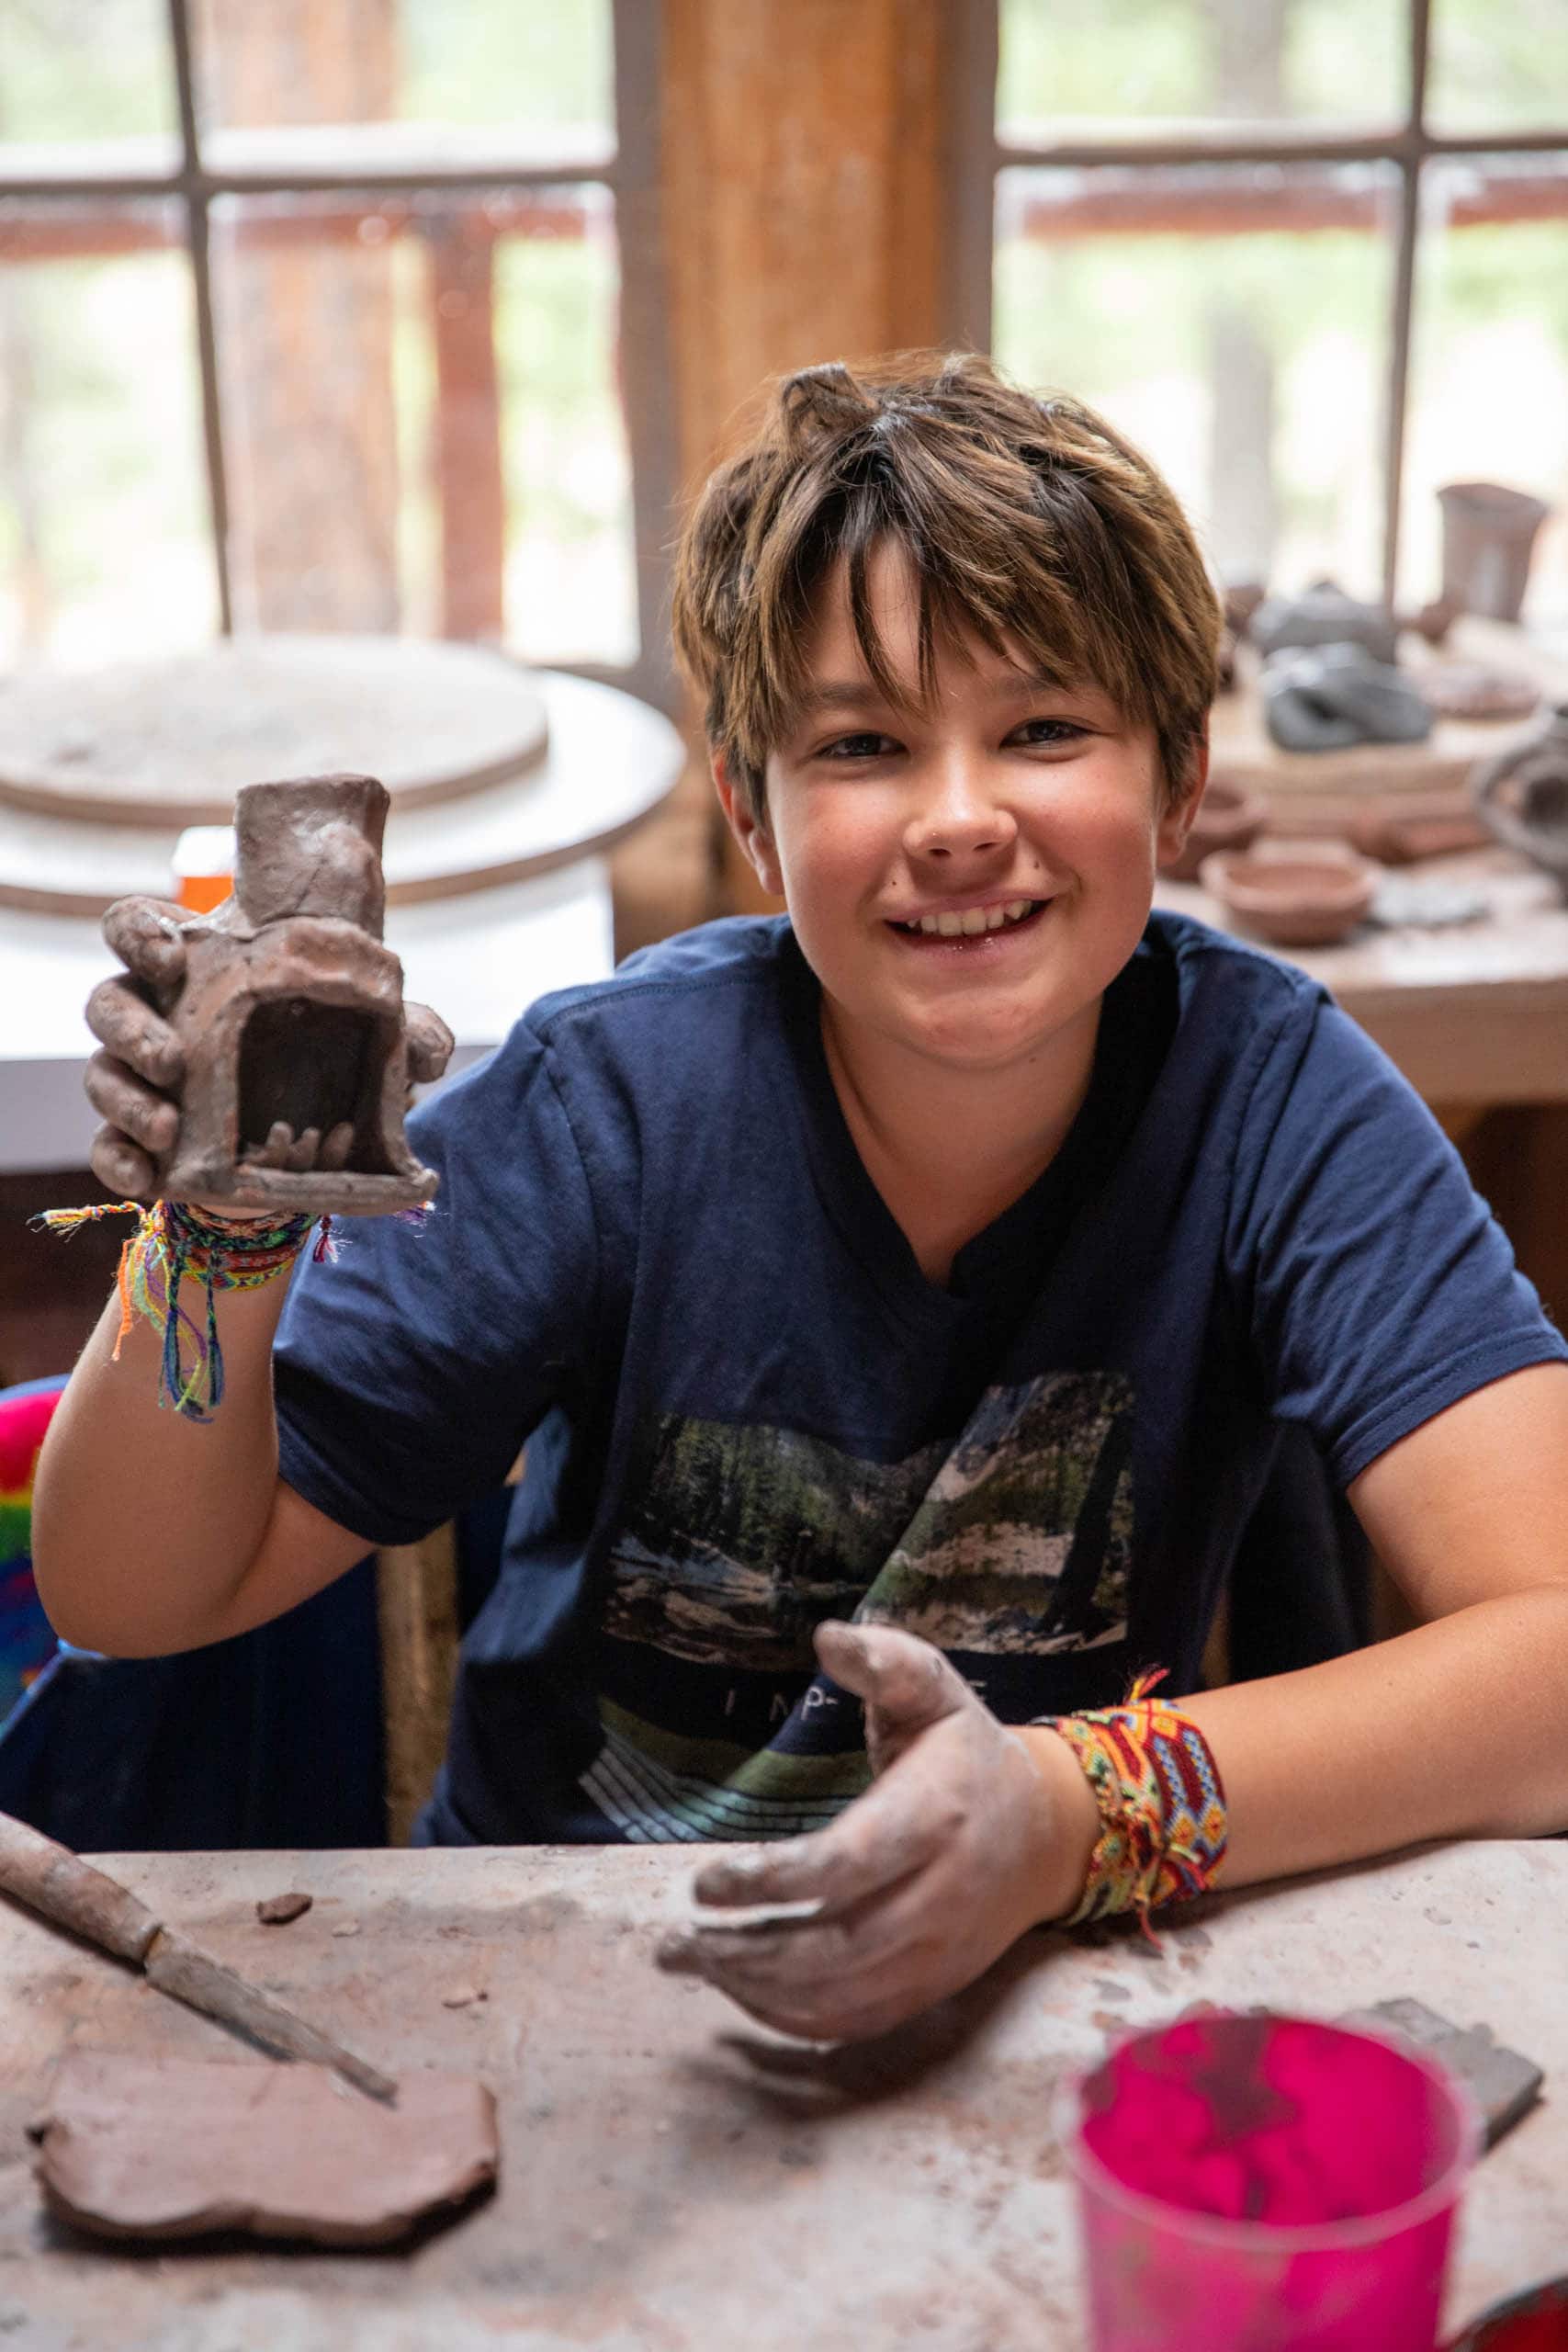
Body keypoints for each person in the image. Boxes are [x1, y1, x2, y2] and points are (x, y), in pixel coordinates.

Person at [33, 354, 1568, 2047]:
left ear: (1181, 781)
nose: (963, 820)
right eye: (864, 746)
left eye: (1046, 730)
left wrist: (1065, 1813)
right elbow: (132, 1596)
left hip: (1055, 1958)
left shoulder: (1276, 1098)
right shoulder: (608, 1102)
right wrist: (219, 1237)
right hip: (575, 1956)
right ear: (750, 820)